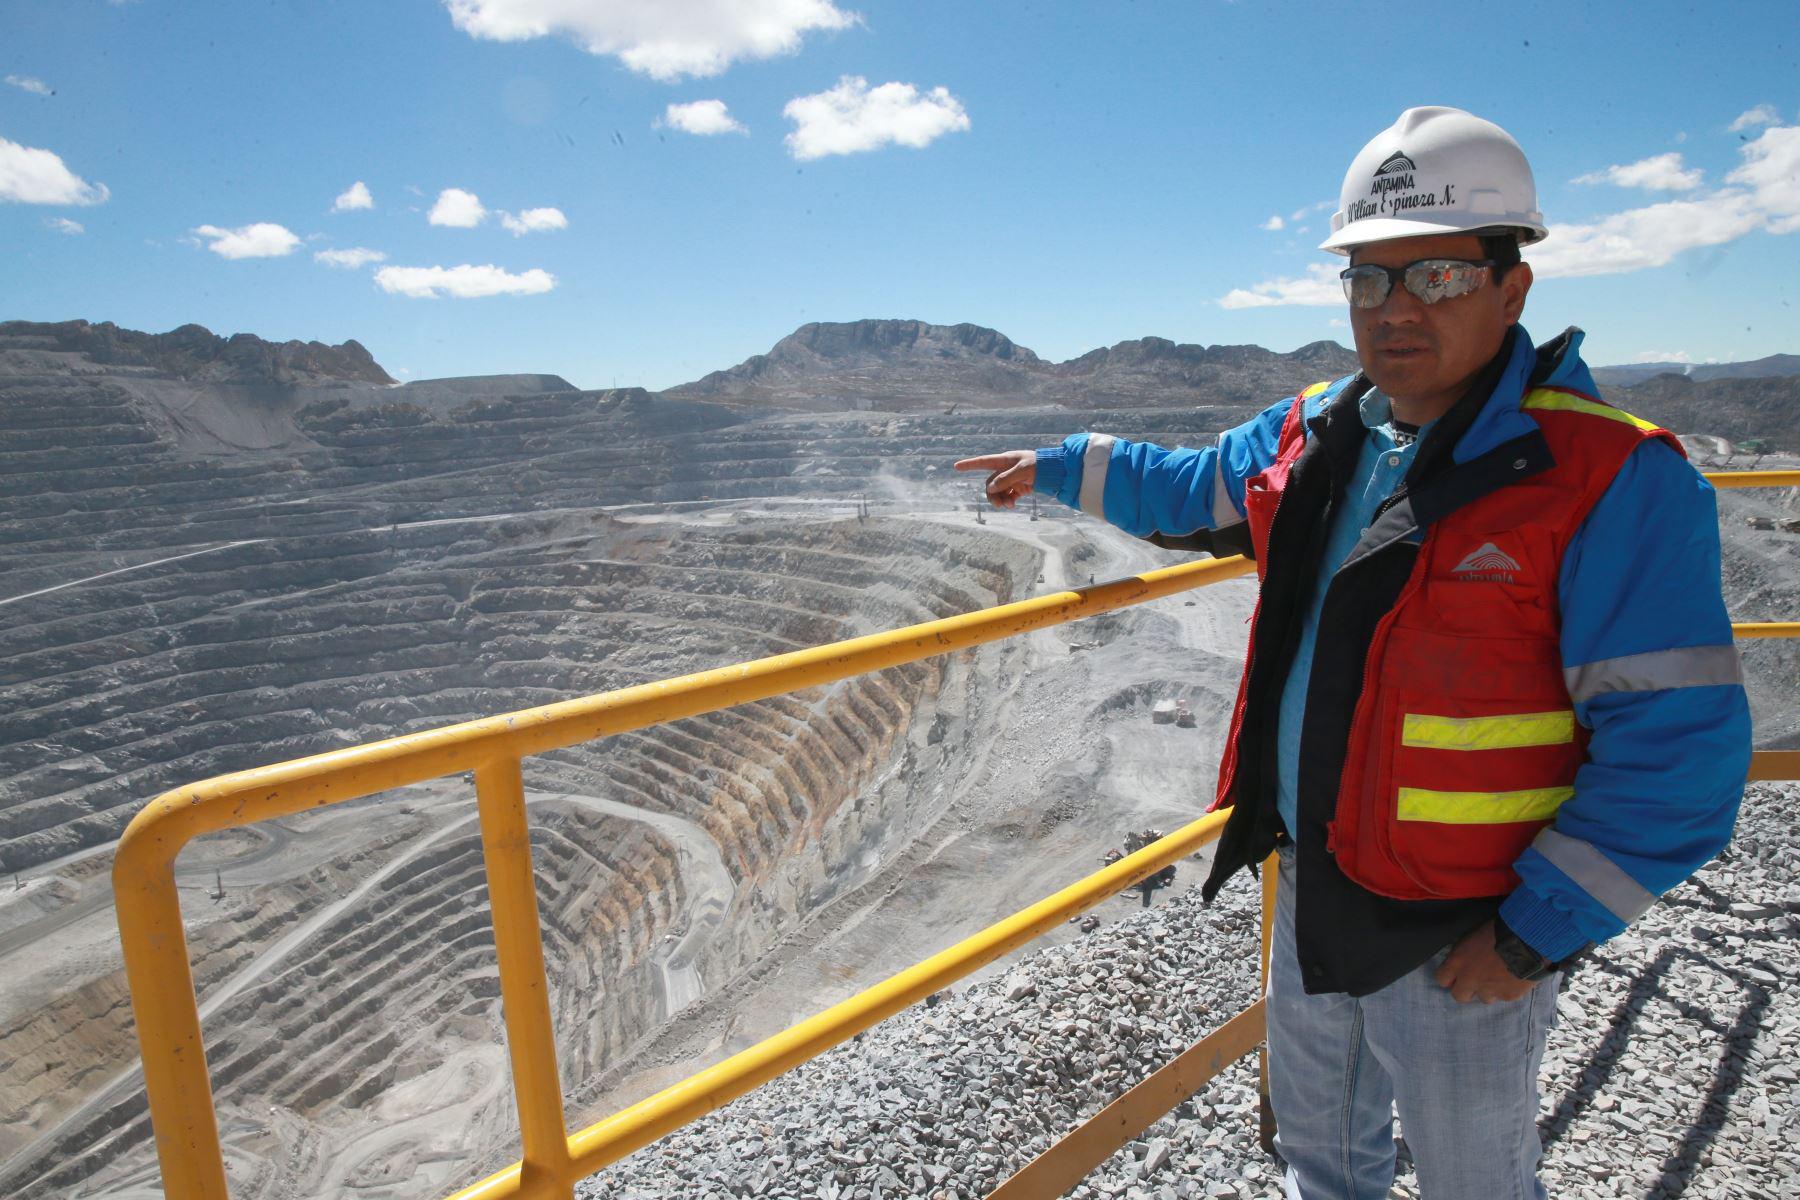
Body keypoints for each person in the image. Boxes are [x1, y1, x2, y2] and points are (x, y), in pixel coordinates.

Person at [954, 106, 1750, 1200]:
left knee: (1477, 1182)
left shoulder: (1610, 478)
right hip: (1315, 878)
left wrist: (1533, 935)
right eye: (1368, 281)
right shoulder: (1320, 430)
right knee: (1322, 1160)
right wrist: (1058, 465)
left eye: (1436, 278)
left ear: (1513, 288)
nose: (1394, 311)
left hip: (1468, 926)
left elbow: (1682, 750)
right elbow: (1193, 488)